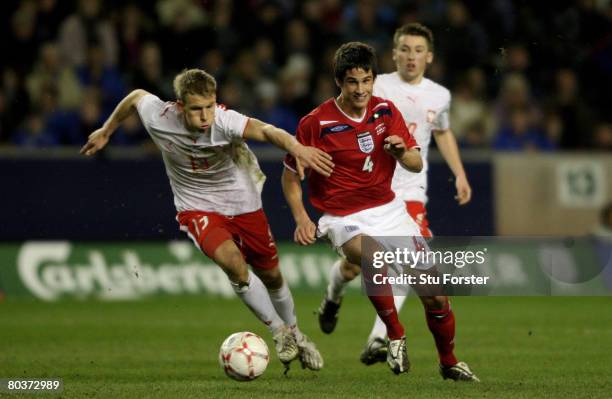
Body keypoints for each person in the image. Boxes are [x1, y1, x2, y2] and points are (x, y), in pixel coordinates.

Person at [80, 68, 334, 371]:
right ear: (179, 106)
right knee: (234, 265)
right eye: (196, 109)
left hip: (243, 201)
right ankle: (279, 333)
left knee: (272, 276)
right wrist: (106, 130)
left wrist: (296, 146)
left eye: (209, 107)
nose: (205, 116)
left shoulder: (225, 121)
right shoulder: (159, 116)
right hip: (197, 206)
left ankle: (296, 334)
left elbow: (267, 131)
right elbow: (135, 97)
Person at [283, 40, 478, 380]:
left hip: (390, 210)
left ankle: (449, 363)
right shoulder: (315, 123)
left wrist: (403, 151)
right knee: (374, 258)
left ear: (373, 79)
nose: (360, 89)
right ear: (339, 82)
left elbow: (416, 164)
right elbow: (289, 178)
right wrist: (301, 217)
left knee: (436, 298)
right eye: (352, 82)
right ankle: (395, 335)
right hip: (342, 217)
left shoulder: (386, 111)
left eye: (366, 80)